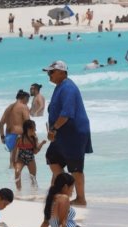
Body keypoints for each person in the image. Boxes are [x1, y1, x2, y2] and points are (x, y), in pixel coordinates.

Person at [43, 61, 93, 206]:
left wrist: (53, 129)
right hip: (62, 133)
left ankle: (80, 198)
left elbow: (66, 114)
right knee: (53, 158)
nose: (49, 75)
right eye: (48, 72)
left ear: (61, 72)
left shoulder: (68, 88)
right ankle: (60, 191)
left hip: (73, 134)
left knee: (75, 168)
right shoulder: (60, 87)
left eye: (51, 72)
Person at [0, 90, 30, 169]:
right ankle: (17, 180)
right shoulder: (23, 107)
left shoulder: (9, 107)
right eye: (28, 100)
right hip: (19, 136)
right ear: (25, 98)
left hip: (8, 137)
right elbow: (28, 123)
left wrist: (2, 137)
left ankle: (9, 180)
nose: (27, 102)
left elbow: (0, 124)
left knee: (12, 162)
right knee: (19, 164)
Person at [12, 120, 46, 191]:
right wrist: (13, 161)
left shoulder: (34, 138)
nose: (35, 130)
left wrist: (42, 144)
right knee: (17, 172)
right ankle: (19, 191)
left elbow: (35, 152)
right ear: (28, 129)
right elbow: (15, 150)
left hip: (30, 159)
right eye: (34, 128)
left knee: (33, 177)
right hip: (20, 159)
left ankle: (34, 192)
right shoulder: (19, 138)